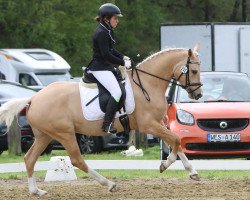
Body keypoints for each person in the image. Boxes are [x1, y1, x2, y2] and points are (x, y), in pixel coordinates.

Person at [86, 3, 131, 134]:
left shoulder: (107, 30)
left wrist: (123, 57)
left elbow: (112, 50)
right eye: (115, 18)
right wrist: (122, 62)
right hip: (99, 68)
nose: (117, 20)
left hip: (106, 67)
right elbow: (106, 55)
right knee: (116, 92)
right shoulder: (101, 33)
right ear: (106, 18)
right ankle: (107, 124)